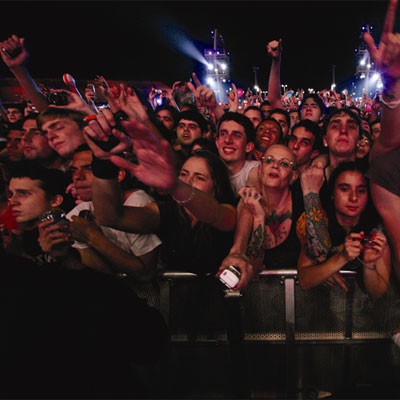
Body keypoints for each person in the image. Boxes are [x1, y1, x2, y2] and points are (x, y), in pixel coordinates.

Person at [66, 146, 161, 282]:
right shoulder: (82, 209)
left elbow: (146, 274)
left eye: (89, 169)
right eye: (74, 170)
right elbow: (104, 277)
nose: (77, 177)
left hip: (154, 296)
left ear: (119, 175)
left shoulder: (137, 202)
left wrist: (91, 236)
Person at [297, 162, 390, 299]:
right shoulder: (317, 220)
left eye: (361, 191)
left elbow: (377, 292)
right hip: (319, 308)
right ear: (333, 193)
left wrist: (369, 263)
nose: (353, 198)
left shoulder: (376, 227)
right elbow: (305, 280)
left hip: (363, 312)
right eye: (345, 189)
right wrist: (341, 258)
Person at [218, 144, 302, 289]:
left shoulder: (301, 203)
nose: (275, 166)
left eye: (284, 163)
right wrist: (258, 218)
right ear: (260, 169)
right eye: (269, 161)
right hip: (258, 298)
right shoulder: (248, 201)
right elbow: (252, 268)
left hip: (300, 296)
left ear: (293, 176)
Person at [214, 111, 259, 195]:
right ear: (217, 142)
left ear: (248, 147)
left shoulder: (255, 170)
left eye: (236, 136)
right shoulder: (207, 168)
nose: (228, 140)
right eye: (223, 134)